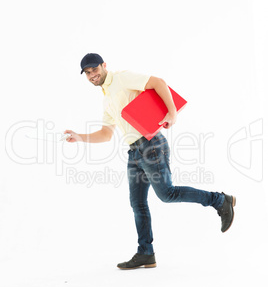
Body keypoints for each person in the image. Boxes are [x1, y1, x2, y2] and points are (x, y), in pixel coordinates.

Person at [65, 53, 236, 270]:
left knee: (167, 194)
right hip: (134, 153)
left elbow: (158, 83)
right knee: (137, 203)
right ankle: (145, 252)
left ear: (104, 65)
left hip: (151, 144)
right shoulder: (107, 99)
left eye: (94, 69)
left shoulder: (121, 78)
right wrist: (80, 137)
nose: (92, 75)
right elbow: (106, 134)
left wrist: (172, 113)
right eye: (87, 73)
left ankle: (220, 201)